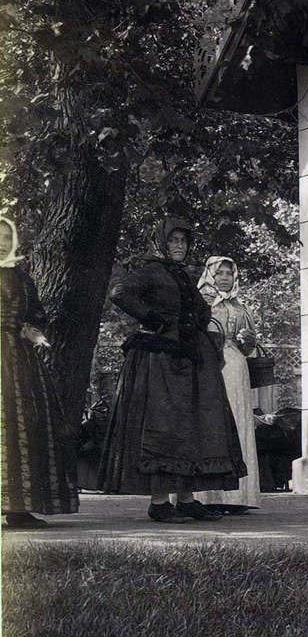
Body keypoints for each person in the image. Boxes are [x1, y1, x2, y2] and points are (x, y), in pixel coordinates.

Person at [98, 217, 246, 522]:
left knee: (191, 428)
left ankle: (186, 500)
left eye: (183, 241)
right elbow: (119, 293)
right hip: (162, 359)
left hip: (189, 356)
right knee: (163, 426)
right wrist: (154, 320)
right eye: (173, 241)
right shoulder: (150, 272)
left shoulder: (181, 275)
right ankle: (159, 502)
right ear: (161, 243)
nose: (179, 246)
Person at [0, 216, 78, 528]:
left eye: (8, 237)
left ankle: (18, 507)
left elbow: (37, 310)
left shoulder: (21, 276)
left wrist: (33, 326)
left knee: (25, 424)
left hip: (21, 358)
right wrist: (18, 327)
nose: (3, 242)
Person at [191, 257, 262, 513]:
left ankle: (237, 497)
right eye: (218, 272)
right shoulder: (200, 302)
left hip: (237, 366)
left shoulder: (240, 307)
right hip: (208, 364)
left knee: (239, 422)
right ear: (209, 274)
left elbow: (249, 347)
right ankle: (206, 495)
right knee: (211, 424)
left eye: (228, 273)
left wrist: (249, 341)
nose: (224, 277)